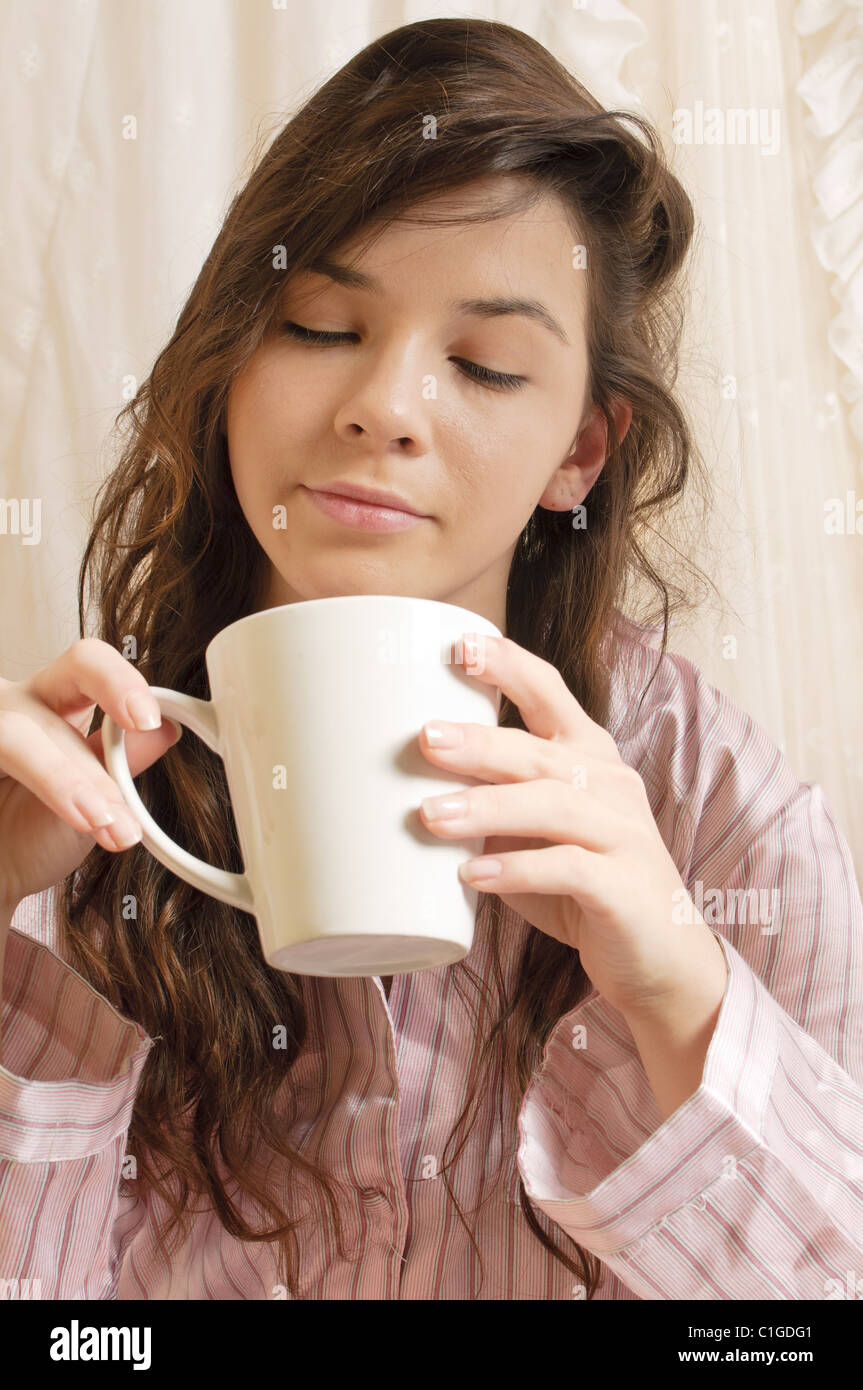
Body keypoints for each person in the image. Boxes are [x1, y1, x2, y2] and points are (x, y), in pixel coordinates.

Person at [1, 17, 861, 1302]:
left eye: (483, 364)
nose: (385, 409)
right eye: (316, 326)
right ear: (232, 359)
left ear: (581, 449)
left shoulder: (719, 814)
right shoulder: (77, 787)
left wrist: (683, 999)